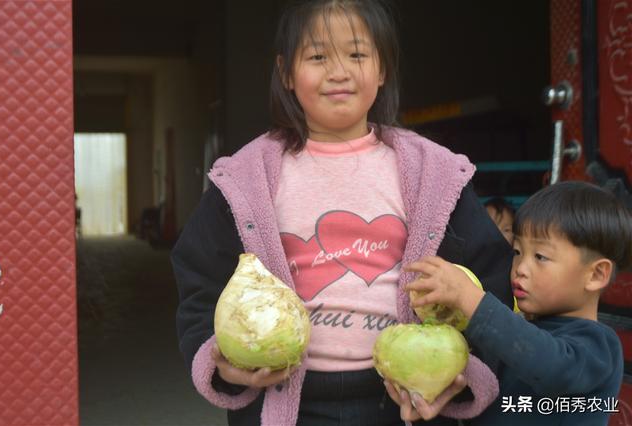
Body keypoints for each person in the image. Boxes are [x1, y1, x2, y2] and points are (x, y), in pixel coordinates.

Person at [171, 1, 514, 425]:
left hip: (405, 400)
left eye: (356, 55)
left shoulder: (434, 173)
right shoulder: (246, 179)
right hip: (286, 404)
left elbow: (489, 281)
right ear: (286, 73)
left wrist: (465, 371)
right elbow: (201, 282)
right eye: (317, 57)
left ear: (382, 69)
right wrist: (219, 361)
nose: (339, 72)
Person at [405, 181, 631, 425]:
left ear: (596, 275)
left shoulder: (599, 347)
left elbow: (549, 366)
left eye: (541, 257)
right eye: (517, 252)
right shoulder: (514, 333)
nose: (521, 269)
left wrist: (470, 299)